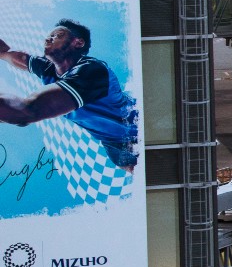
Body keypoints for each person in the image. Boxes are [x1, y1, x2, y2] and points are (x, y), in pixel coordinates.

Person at [0, 18, 140, 171]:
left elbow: (27, 111)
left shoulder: (92, 71)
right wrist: (2, 53)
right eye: (49, 36)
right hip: (113, 145)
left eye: (58, 35)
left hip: (137, 128)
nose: (48, 38)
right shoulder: (48, 69)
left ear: (78, 43)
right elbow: (18, 58)